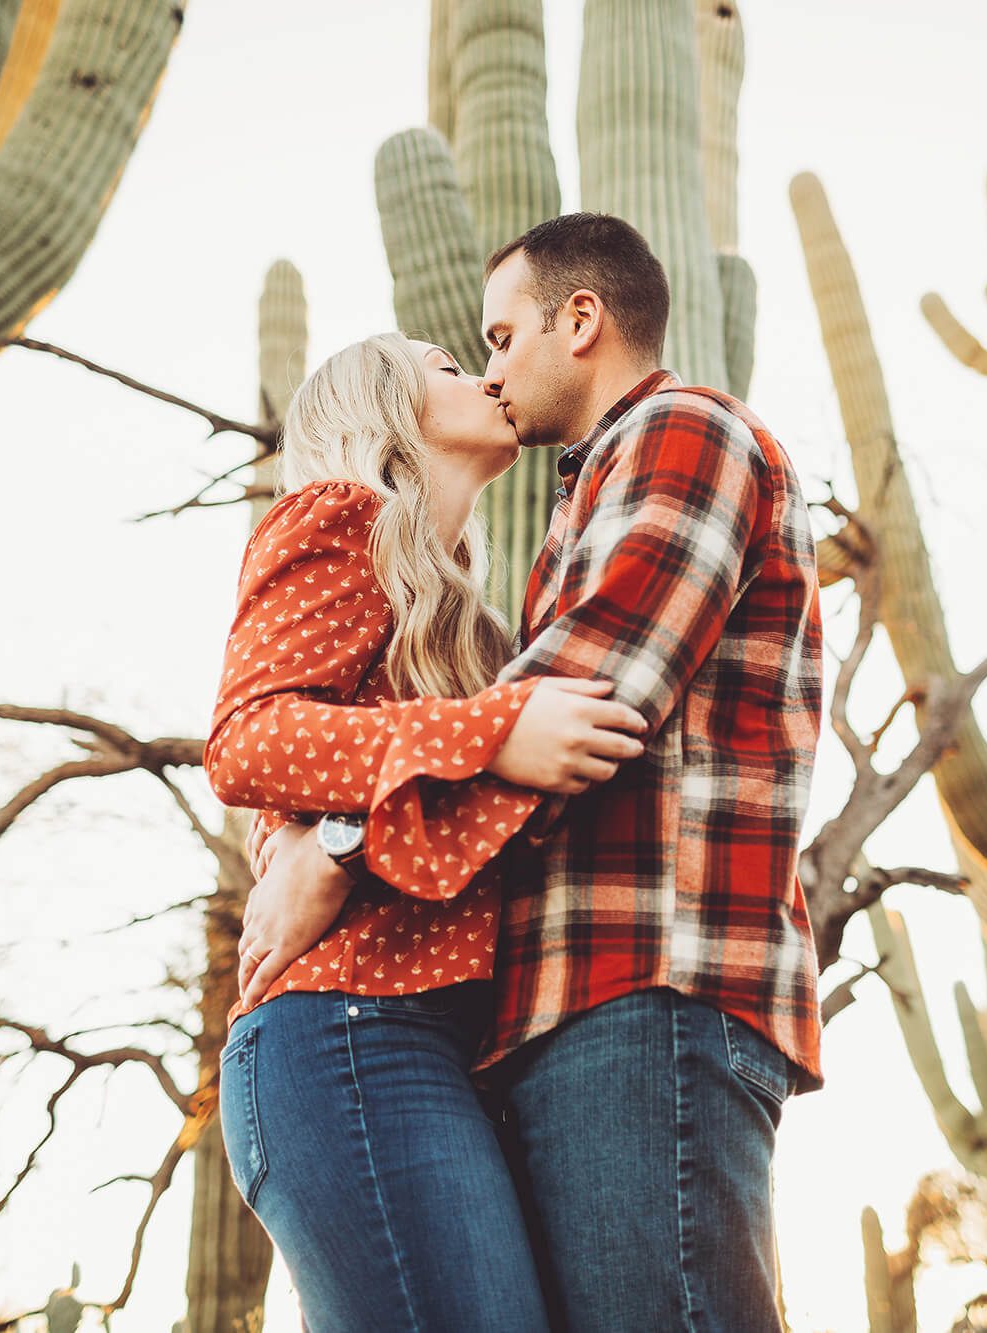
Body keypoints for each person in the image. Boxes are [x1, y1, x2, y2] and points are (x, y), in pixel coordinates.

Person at [246, 213, 826, 1332]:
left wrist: (341, 843)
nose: (493, 370)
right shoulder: (574, 502)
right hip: (573, 1008)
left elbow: (593, 695)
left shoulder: (682, 432)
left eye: (499, 338)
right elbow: (511, 725)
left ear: (581, 319)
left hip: (647, 981)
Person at [202, 332, 647, 1333]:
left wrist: (336, 843)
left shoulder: (476, 629)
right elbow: (248, 740)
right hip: (346, 1035)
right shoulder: (336, 519)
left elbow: (431, 806)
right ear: (384, 409)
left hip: (434, 1048)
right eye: (447, 366)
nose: (485, 375)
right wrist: (492, 729)